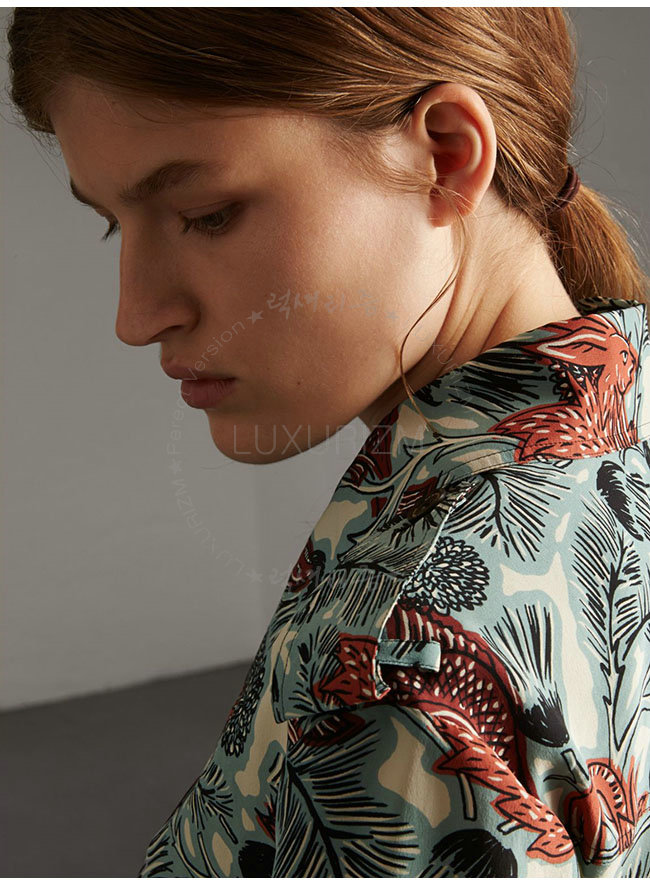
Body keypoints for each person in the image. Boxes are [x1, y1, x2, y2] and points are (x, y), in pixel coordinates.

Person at [6, 8, 650, 877]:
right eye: (116, 223)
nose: (137, 315)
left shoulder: (403, 665)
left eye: (205, 214)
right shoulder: (620, 414)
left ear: (446, 155)